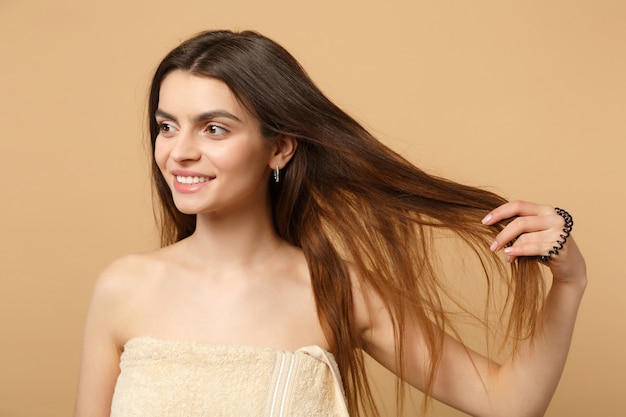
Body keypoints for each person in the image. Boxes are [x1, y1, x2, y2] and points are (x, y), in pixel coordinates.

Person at [73, 30, 587, 417]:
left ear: (279, 148)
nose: (179, 152)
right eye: (167, 127)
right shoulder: (123, 288)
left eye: (213, 128)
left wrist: (569, 282)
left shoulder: (337, 289)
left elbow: (507, 402)